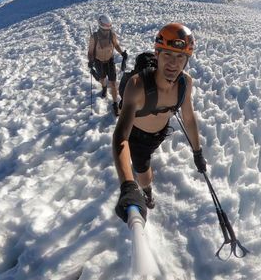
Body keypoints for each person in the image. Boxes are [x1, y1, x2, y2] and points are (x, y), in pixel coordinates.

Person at [111, 22, 207, 223]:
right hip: (136, 138)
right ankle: (146, 192)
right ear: (157, 54)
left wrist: (197, 151)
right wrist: (128, 185)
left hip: (159, 133)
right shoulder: (137, 86)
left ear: (187, 60)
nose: (174, 63)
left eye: (180, 57)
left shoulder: (185, 83)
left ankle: (145, 186)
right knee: (143, 173)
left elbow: (188, 117)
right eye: (168, 55)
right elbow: (121, 137)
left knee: (145, 166)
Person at [88, 14, 127, 116]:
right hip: (98, 62)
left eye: (108, 29)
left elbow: (116, 45)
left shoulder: (112, 35)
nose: (107, 31)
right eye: (105, 29)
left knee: (113, 84)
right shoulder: (94, 37)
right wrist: (90, 61)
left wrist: (122, 53)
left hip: (110, 61)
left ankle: (115, 103)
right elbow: (90, 51)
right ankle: (104, 87)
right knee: (102, 79)